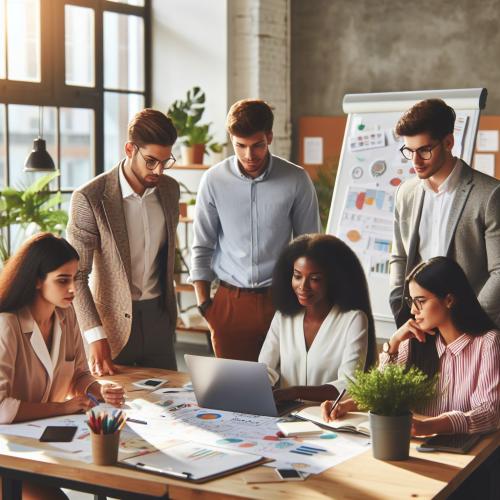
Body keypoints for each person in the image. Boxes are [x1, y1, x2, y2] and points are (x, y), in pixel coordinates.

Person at [190, 99, 321, 361]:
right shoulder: (213, 180)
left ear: (269, 137)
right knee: (231, 393)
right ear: (231, 140)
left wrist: (310, 306)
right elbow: (202, 244)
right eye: (240, 146)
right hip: (229, 303)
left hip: (282, 299)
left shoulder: (296, 179)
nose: (249, 156)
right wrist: (205, 305)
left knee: (285, 389)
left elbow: (311, 247)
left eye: (257, 145)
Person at [0, 233, 124, 500]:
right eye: (62, 280)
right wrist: (63, 408)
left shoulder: (66, 316)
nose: (73, 289)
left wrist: (97, 388)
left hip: (37, 442)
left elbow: (78, 373)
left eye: (74, 278)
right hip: (7, 455)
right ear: (36, 280)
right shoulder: (6, 325)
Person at [322, 257, 500, 436]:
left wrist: (429, 426)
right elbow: (384, 393)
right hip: (415, 447)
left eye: (420, 301)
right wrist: (393, 345)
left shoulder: (488, 343)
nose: (414, 310)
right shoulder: (414, 343)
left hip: (468, 454)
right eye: (411, 301)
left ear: (449, 300)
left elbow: (488, 412)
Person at [67, 109, 180, 376]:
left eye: (166, 161)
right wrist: (95, 335)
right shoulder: (90, 197)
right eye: (151, 161)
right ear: (129, 149)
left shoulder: (170, 189)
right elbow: (78, 275)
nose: (159, 170)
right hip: (111, 326)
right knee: (118, 408)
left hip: (159, 321)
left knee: (174, 404)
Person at [389, 98, 500, 328]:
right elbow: (399, 257)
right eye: (409, 151)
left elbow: (499, 272)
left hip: (472, 330)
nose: (415, 161)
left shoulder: (490, 195)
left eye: (424, 150)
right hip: (421, 327)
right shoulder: (406, 193)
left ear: (449, 142)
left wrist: (472, 322)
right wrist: (401, 307)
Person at [258, 234, 376, 403]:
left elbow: (349, 385)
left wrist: (295, 392)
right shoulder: (283, 317)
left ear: (333, 280)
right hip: (285, 418)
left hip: (328, 418)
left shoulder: (353, 320)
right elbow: (264, 370)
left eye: (315, 279)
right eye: (297, 276)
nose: (303, 286)